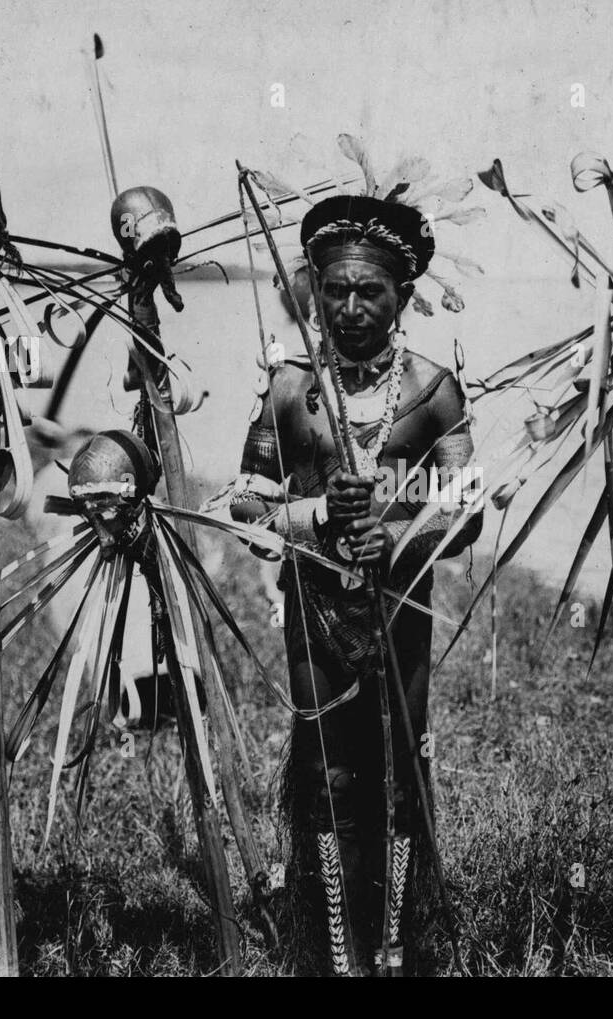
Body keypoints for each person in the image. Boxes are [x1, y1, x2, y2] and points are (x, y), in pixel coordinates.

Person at [220, 193, 481, 975]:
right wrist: (315, 517)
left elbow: (466, 509)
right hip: (315, 612)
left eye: (371, 291)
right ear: (315, 290)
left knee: (401, 768)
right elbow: (245, 503)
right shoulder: (288, 390)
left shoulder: (433, 391)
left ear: (402, 297)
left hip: (401, 612)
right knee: (327, 772)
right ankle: (334, 950)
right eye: (336, 289)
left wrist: (396, 536)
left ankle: (400, 944)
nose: (352, 307)